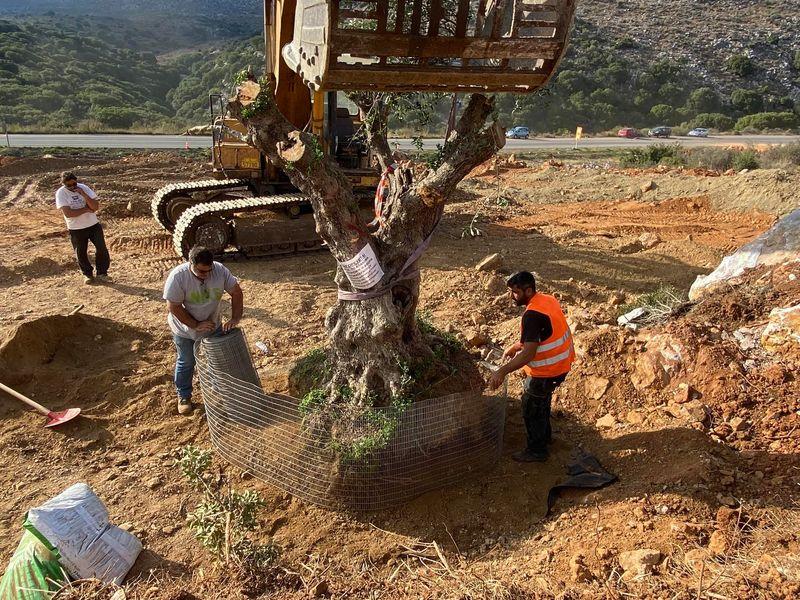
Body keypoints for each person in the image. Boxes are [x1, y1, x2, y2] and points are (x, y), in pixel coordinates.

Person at [488, 271, 574, 462]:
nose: (511, 296)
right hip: (561, 364)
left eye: (515, 292)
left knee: (531, 406)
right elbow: (545, 333)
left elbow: (529, 354)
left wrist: (502, 371)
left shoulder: (532, 315)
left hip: (546, 371)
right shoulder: (547, 300)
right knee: (542, 402)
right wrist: (517, 345)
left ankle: (537, 451)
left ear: (528, 291)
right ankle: (546, 437)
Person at [163, 246, 244, 415]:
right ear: (191, 263)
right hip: (184, 329)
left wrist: (235, 318)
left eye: (209, 271)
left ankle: (220, 390)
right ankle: (184, 395)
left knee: (217, 358)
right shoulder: (178, 277)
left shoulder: (220, 270)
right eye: (201, 271)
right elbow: (173, 306)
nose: (206, 275)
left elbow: (236, 292)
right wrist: (194, 325)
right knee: (186, 361)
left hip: (212, 325)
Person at [55, 172, 110, 284]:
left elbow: (95, 207)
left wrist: (84, 194)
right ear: (63, 184)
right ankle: (87, 274)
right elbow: (68, 213)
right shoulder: (61, 193)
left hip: (93, 225)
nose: (72, 187)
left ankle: (102, 273)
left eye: (74, 184)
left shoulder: (83, 188)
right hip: (76, 228)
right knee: (81, 252)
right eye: (69, 185)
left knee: (102, 249)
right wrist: (85, 209)